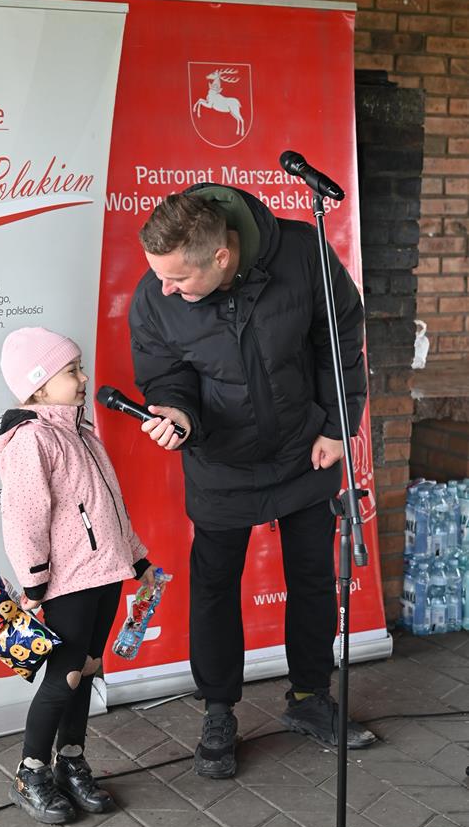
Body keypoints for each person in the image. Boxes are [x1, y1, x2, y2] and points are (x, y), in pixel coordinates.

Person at [129, 184, 376, 779]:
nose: (165, 289)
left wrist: (338, 426)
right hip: (220, 461)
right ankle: (218, 711)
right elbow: (164, 372)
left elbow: (339, 340)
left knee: (312, 577)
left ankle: (310, 697)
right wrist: (177, 413)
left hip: (304, 448)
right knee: (215, 586)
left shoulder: (304, 251)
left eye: (178, 278)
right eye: (159, 276)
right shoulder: (155, 293)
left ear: (221, 257)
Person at [0, 327, 157, 823]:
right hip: (66, 583)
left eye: (80, 368)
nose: (84, 378)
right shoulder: (31, 440)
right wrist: (35, 583)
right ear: (39, 386)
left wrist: (138, 559)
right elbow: (23, 518)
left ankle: (71, 761)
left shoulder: (80, 431)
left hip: (104, 573)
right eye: (71, 371)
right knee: (63, 677)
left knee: (87, 669)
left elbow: (110, 508)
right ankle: (31, 772)